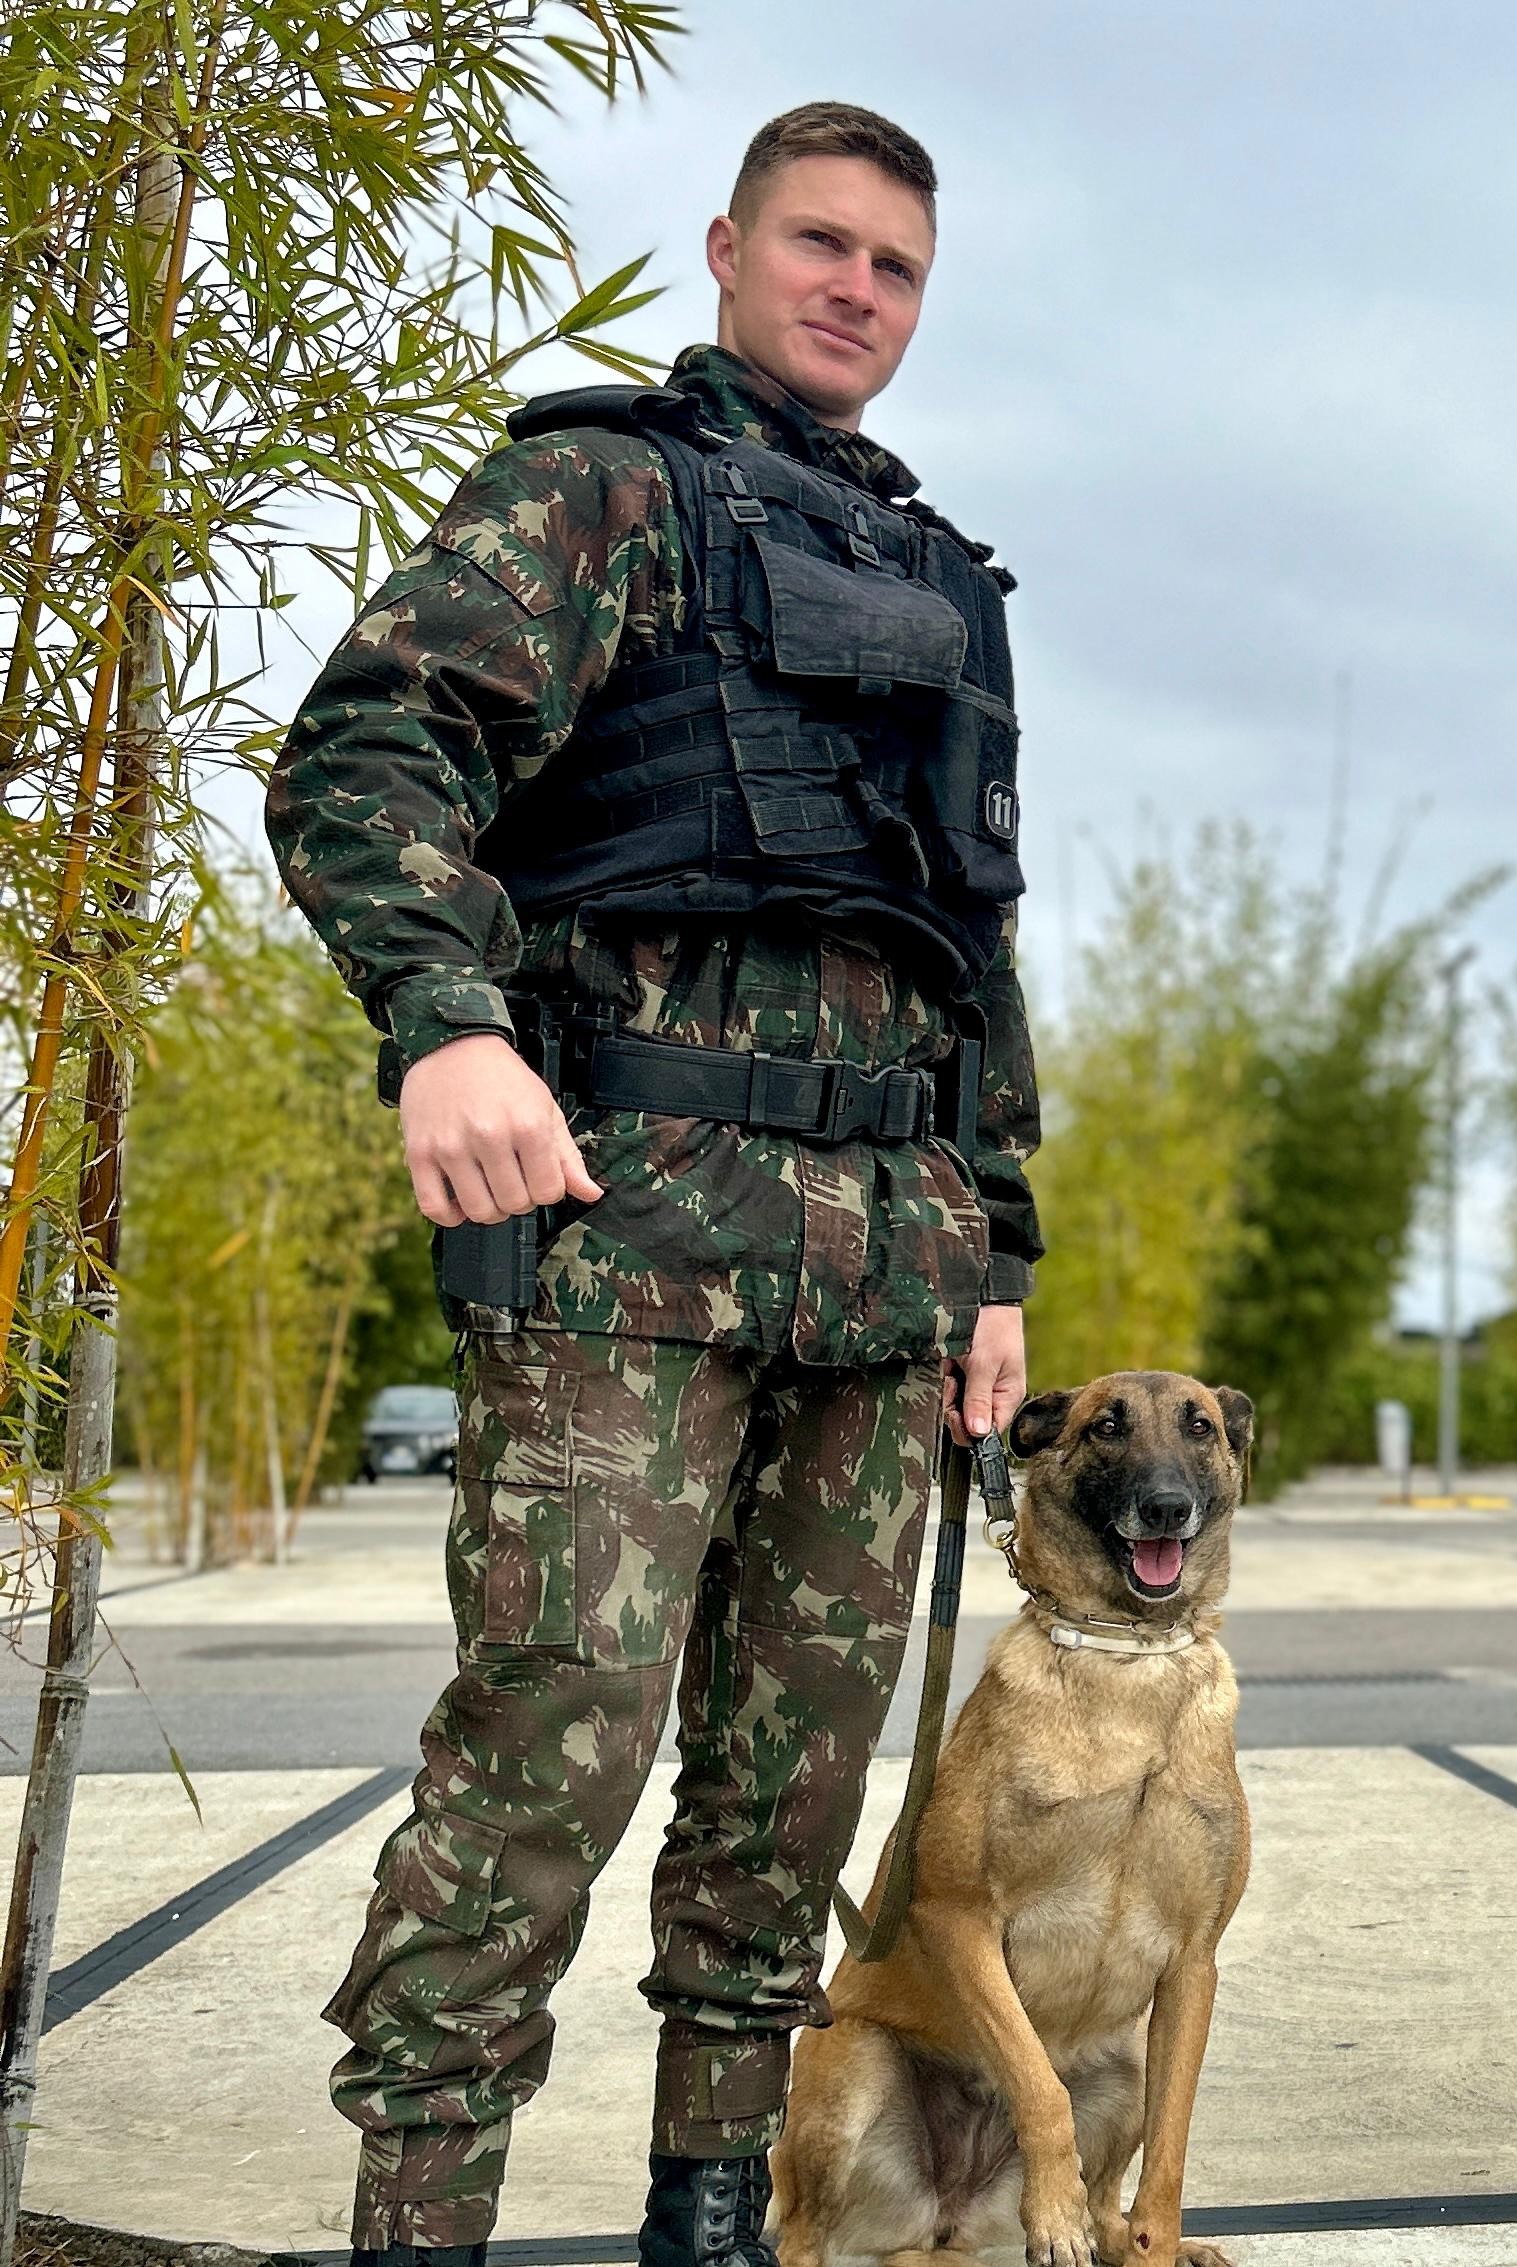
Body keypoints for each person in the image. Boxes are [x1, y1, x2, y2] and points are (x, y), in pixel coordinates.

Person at [266, 102, 1038, 2267]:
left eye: (894, 263)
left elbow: (973, 939)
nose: (853, 289)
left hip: (887, 1270)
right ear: (723, 247)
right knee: (547, 1763)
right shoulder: (595, 490)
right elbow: (369, 748)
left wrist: (1000, 1248)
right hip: (632, 1228)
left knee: (786, 1803)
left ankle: (713, 2225)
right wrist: (447, 1017)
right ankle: (418, 2221)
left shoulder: (950, 592)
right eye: (819, 243)